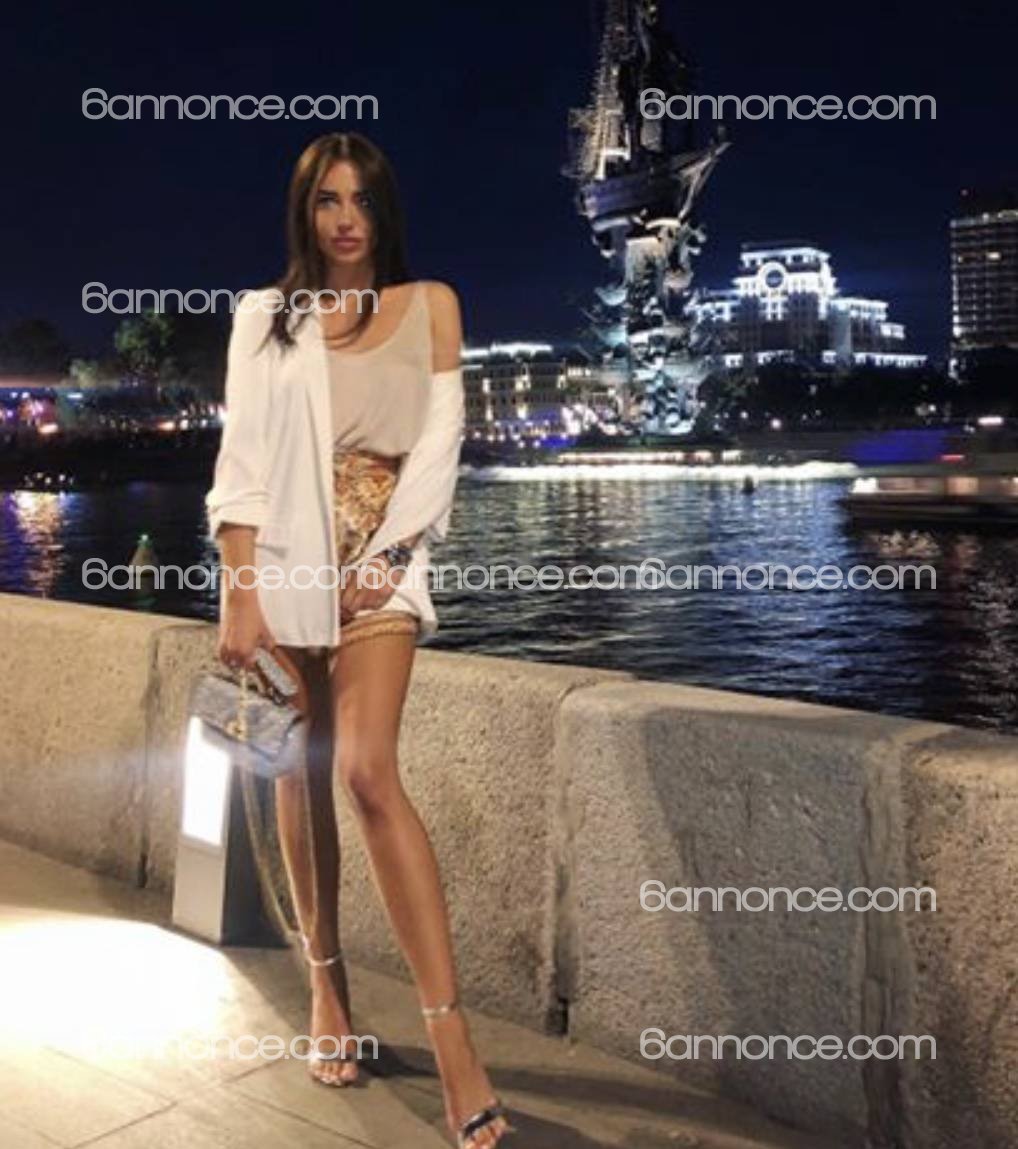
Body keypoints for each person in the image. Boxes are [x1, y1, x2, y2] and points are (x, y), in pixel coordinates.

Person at [205, 131, 513, 1149]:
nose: (346, 219)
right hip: (287, 562)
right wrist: (240, 596)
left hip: (384, 559)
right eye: (328, 200)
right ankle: (327, 991)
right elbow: (242, 465)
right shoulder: (266, 318)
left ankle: (451, 1037)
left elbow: (441, 443)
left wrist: (392, 552)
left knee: (369, 771)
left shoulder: (432, 305)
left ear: (385, 212)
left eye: (363, 201)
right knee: (299, 776)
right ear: (306, 213)